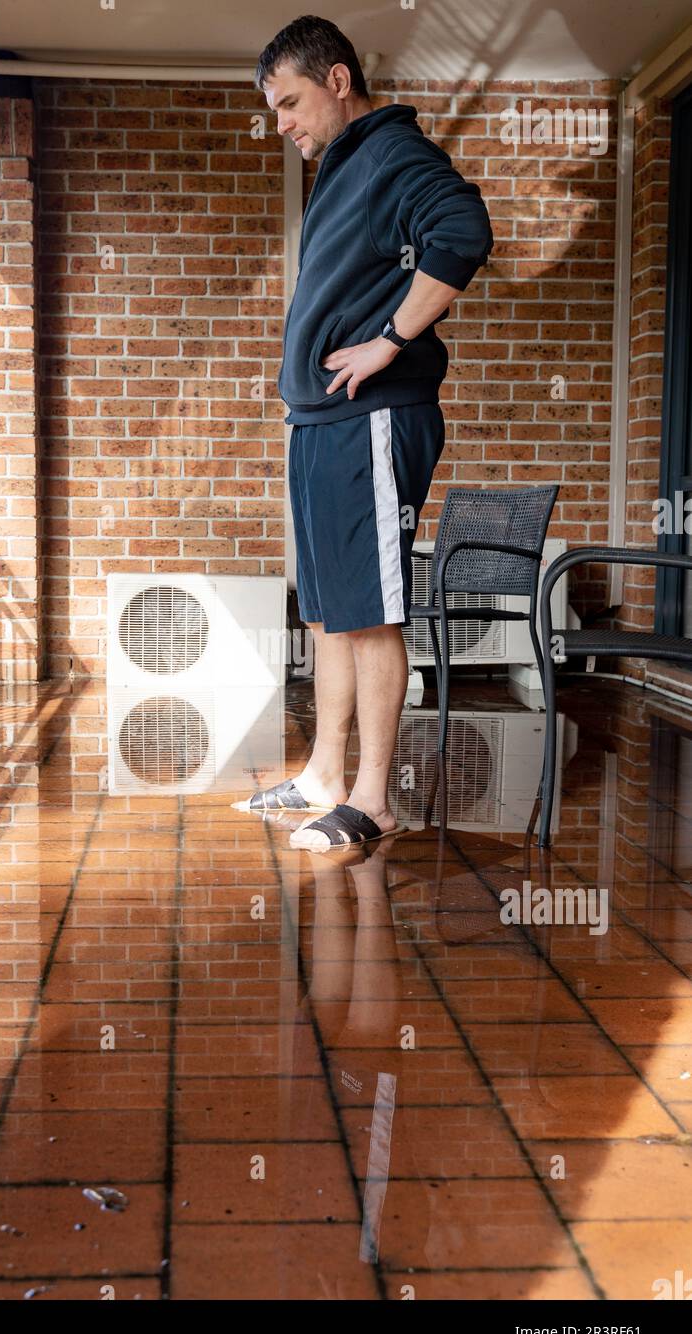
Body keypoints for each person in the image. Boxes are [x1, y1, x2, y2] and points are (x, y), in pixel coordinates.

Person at [244, 14, 493, 853]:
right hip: (322, 421)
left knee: (373, 613)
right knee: (330, 613)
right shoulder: (344, 168)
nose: (281, 125)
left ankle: (373, 798)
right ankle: (323, 774)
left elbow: (461, 233)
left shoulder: (391, 153)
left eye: (289, 103)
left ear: (339, 81)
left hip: (373, 419)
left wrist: (392, 339)